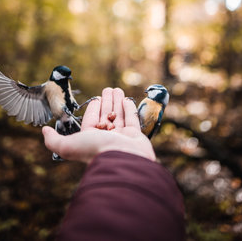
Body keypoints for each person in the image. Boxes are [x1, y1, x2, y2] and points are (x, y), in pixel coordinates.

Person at [42, 87, 185, 241]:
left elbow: (153, 125)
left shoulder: (158, 108)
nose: (147, 92)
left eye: (152, 90)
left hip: (139, 135)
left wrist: (139, 137)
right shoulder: (147, 101)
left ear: (159, 94)